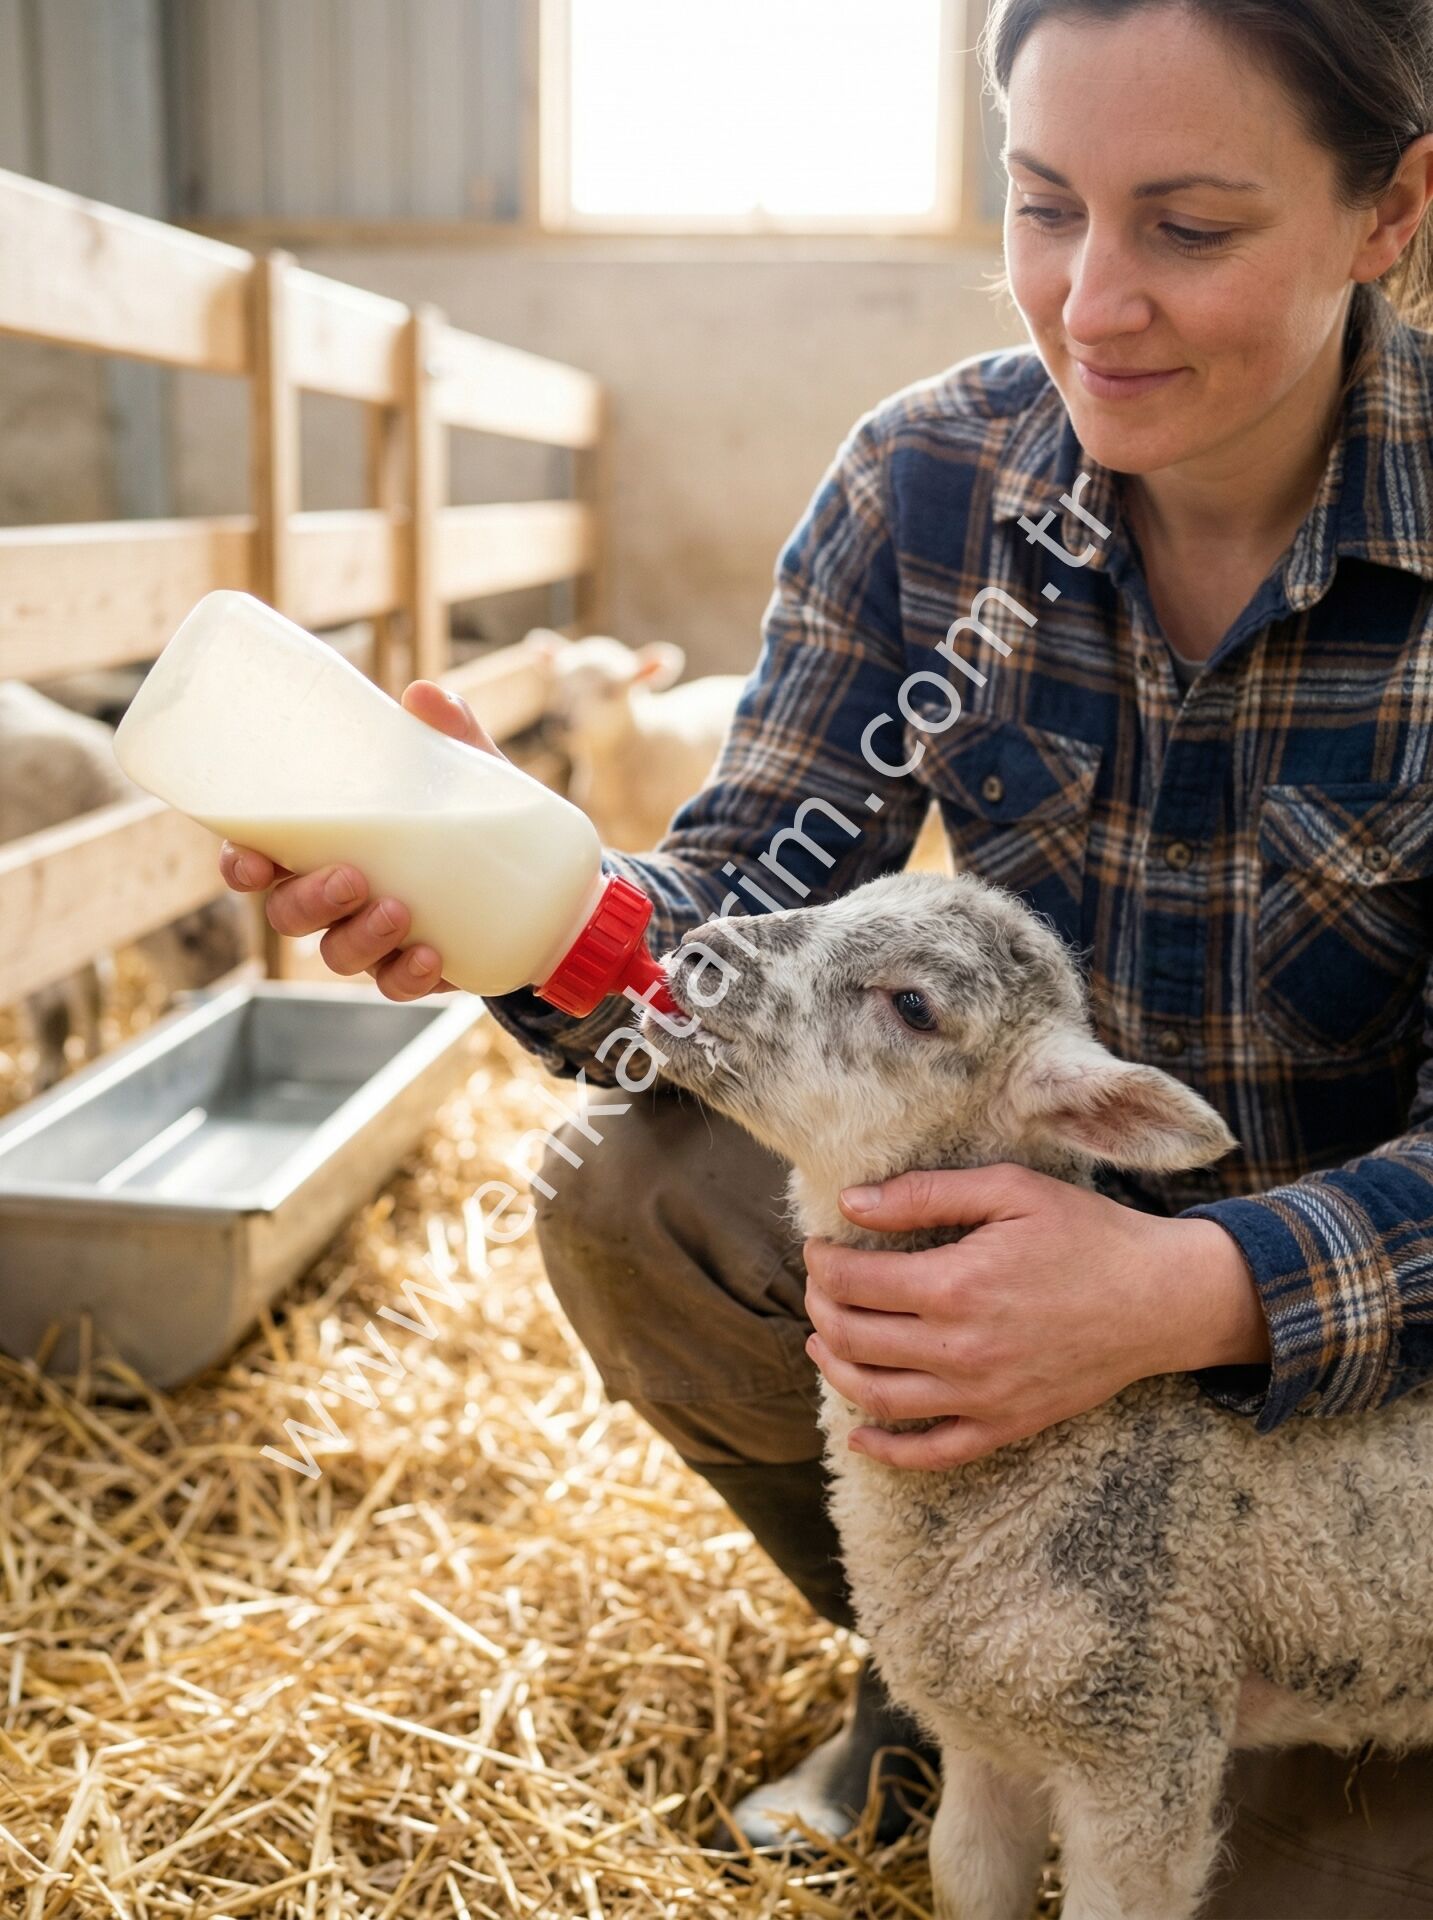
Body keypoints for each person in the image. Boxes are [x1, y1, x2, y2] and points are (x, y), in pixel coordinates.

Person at [220, 0, 1433, 1908]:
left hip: (1369, 1411)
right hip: (1014, 1278)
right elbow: (735, 917)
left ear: (1391, 210)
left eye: (1187, 227)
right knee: (635, 1196)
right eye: (1043, 205)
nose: (1089, 300)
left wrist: (1199, 1285)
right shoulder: (927, 487)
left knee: (1274, 1862)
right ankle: (949, 1665)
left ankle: (1168, 1700)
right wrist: (511, 893)